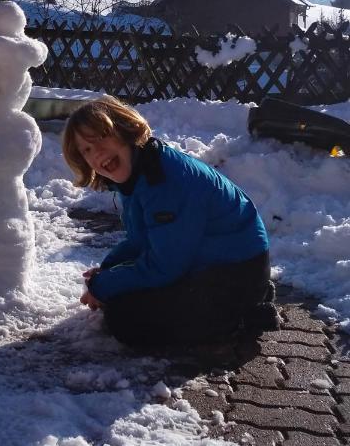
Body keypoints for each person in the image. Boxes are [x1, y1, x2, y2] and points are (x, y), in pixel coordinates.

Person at [62, 95, 279, 346]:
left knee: (127, 320)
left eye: (102, 137)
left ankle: (241, 315)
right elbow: (142, 239)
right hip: (210, 262)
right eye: (86, 149)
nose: (97, 152)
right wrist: (107, 270)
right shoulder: (140, 171)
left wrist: (103, 286)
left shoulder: (164, 180)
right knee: (122, 297)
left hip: (235, 271)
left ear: (124, 130)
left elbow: (164, 266)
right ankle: (243, 300)